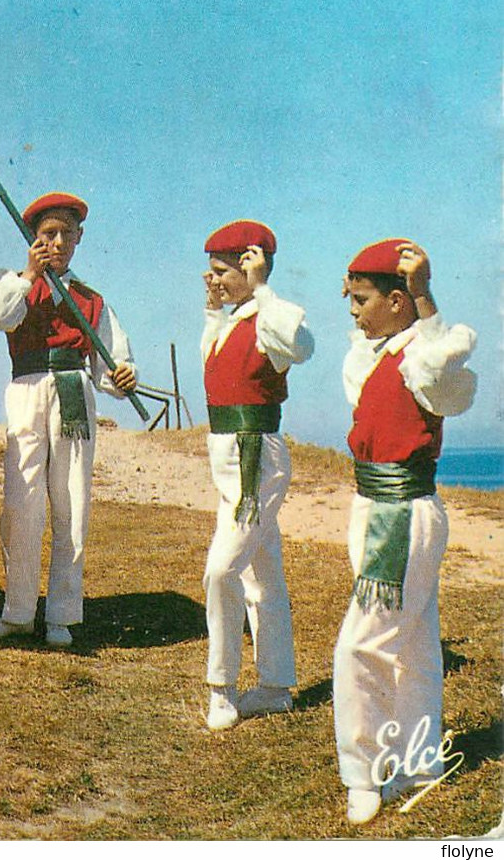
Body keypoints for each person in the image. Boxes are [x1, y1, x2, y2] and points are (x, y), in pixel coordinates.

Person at [334, 239, 475, 826]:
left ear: (396, 301)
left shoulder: (424, 356)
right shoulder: (374, 353)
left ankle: (364, 771)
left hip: (405, 513)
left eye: (362, 300)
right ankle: (418, 758)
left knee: (359, 644)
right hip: (370, 504)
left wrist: (424, 295)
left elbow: (447, 376)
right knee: (415, 641)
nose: (352, 311)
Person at [0, 192, 137, 649]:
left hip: (71, 390)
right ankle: (18, 612)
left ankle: (62, 614)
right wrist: (30, 275)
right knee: (22, 502)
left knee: (71, 503)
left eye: (67, 233)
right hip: (26, 389)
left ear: (80, 238)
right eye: (48, 234)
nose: (58, 242)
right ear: (33, 238)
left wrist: (124, 376)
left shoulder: (92, 300)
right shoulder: (12, 282)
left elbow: (113, 365)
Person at [198, 220, 314, 731]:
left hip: (256, 458)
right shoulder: (229, 323)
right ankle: (274, 684)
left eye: (223, 271)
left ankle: (221, 687)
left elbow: (301, 343)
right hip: (226, 457)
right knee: (263, 570)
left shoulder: (269, 319)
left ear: (250, 266)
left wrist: (264, 285)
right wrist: (214, 305)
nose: (214, 280)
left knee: (222, 569)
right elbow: (211, 360)